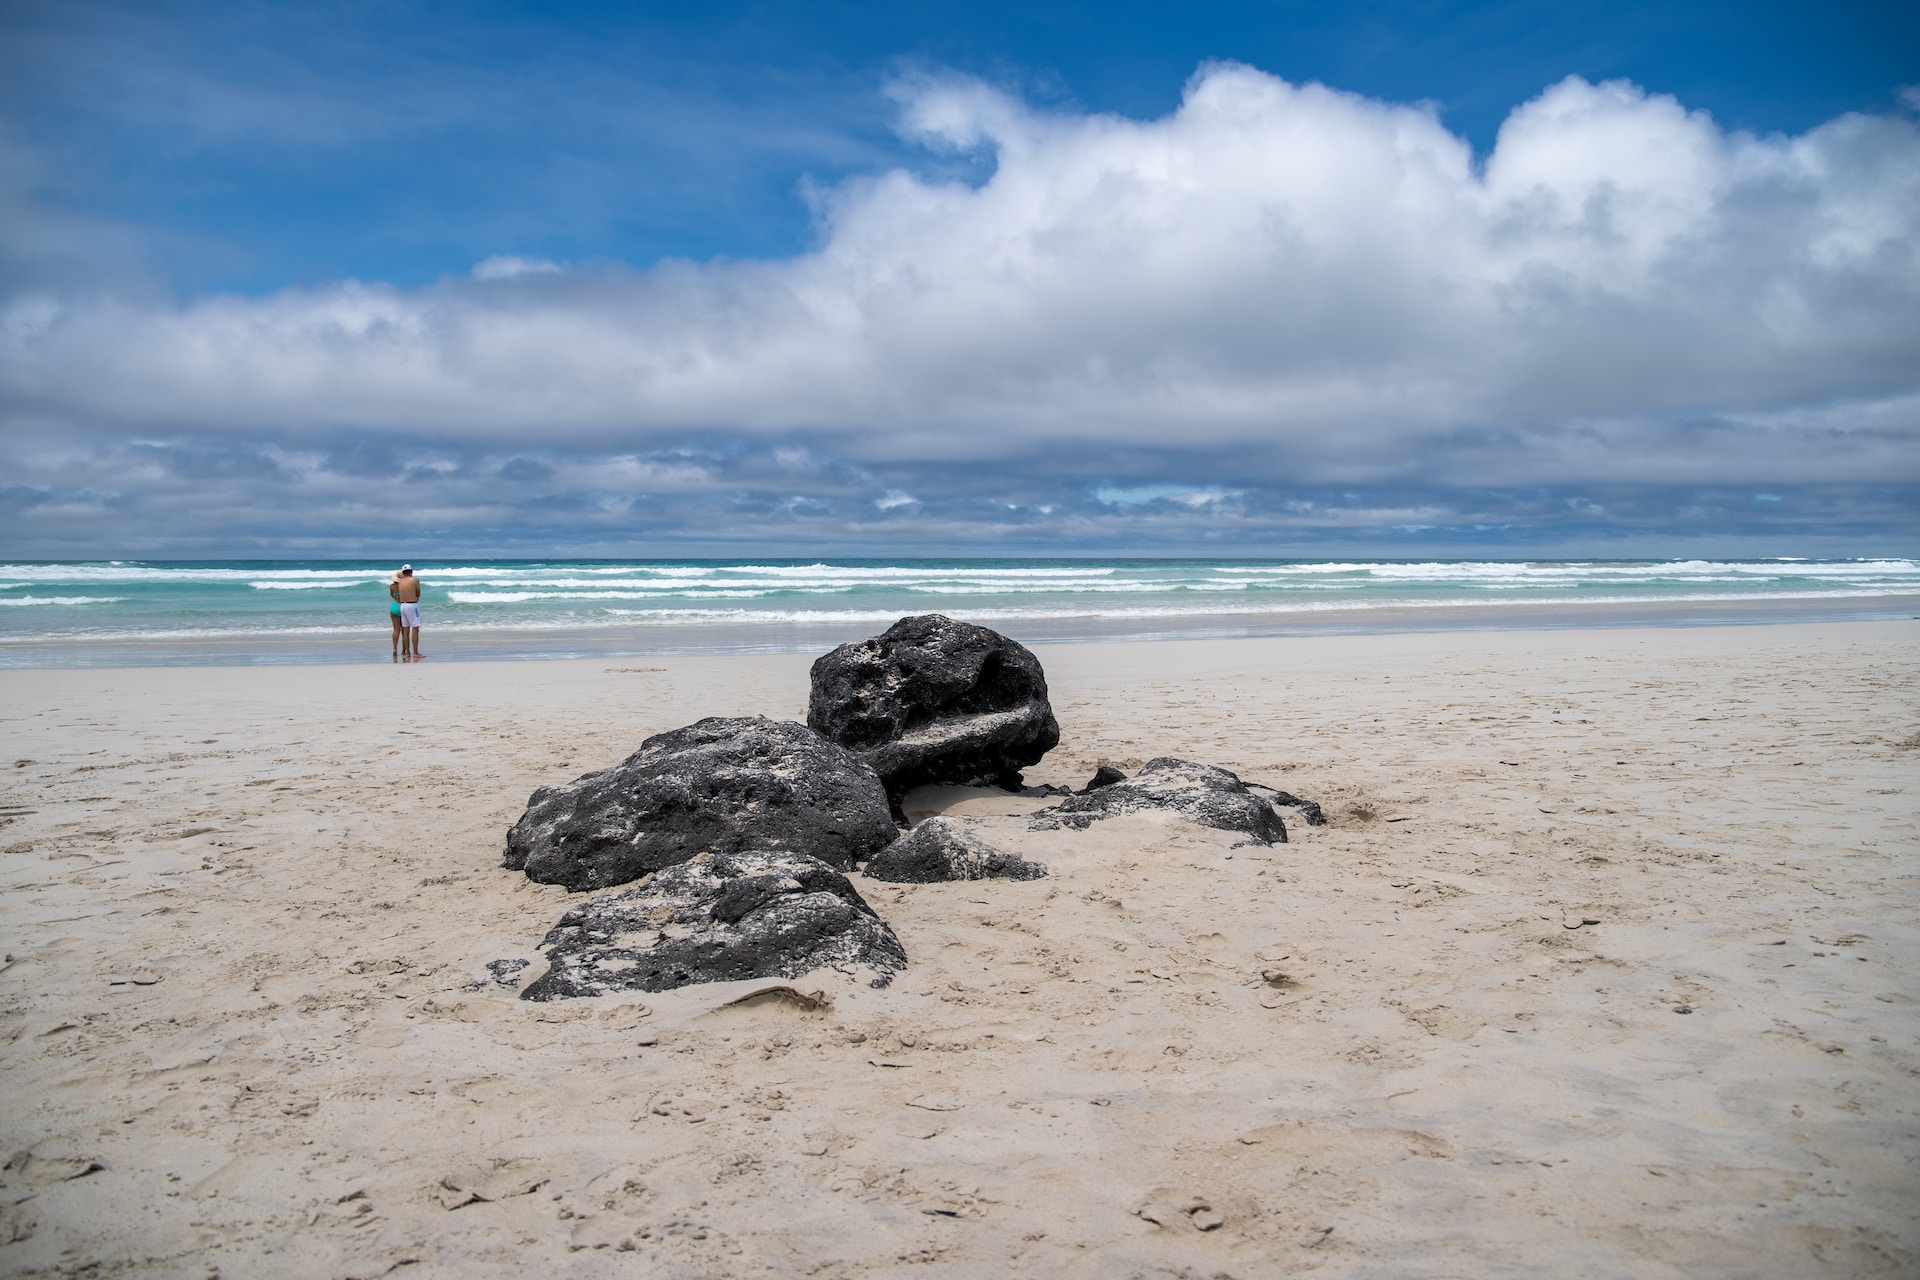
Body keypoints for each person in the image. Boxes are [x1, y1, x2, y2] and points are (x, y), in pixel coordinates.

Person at [394, 564, 425, 659]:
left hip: (402, 605)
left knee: (405, 630)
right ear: (411, 571)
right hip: (412, 605)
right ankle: (415, 652)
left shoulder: (400, 582)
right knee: (415, 628)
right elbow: (418, 593)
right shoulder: (415, 580)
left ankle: (407, 652)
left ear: (403, 573)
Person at [387, 572, 404, 659]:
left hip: (395, 606)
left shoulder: (392, 586)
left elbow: (392, 596)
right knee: (404, 630)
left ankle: (394, 648)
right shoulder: (404, 586)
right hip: (403, 606)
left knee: (396, 630)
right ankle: (404, 649)